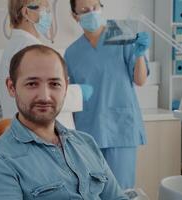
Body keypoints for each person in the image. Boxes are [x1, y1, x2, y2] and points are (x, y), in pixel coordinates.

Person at [0, 44, 129, 200]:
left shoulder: (86, 143)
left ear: (66, 87)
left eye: (54, 84)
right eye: (32, 84)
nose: (45, 96)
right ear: (12, 87)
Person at [64, 0, 151, 189]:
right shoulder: (71, 53)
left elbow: (140, 80)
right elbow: (69, 95)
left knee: (121, 190)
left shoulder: (120, 33)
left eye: (95, 7)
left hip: (120, 128)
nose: (92, 13)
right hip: (88, 129)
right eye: (85, 10)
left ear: (101, 7)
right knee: (93, 190)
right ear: (74, 15)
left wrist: (139, 55)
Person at [0, 0, 89, 129]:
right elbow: (45, 94)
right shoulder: (29, 49)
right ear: (26, 12)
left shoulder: (18, 44)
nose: (48, 15)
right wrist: (79, 92)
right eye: (45, 10)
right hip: (35, 130)